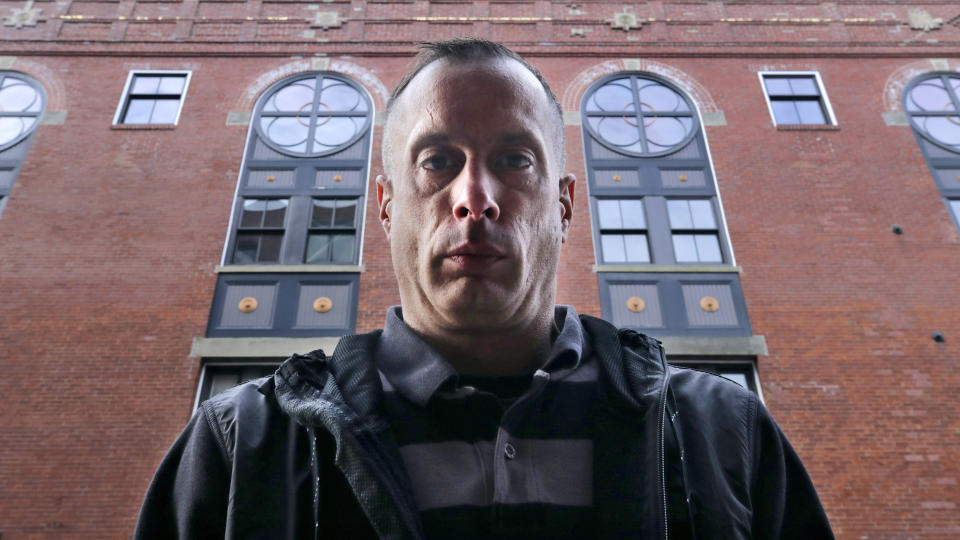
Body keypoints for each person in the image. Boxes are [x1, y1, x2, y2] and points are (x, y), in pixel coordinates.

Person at [135, 39, 834, 539]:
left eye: (513, 159)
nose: (475, 197)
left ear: (564, 204)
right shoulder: (243, 445)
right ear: (385, 204)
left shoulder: (725, 433)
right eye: (437, 161)